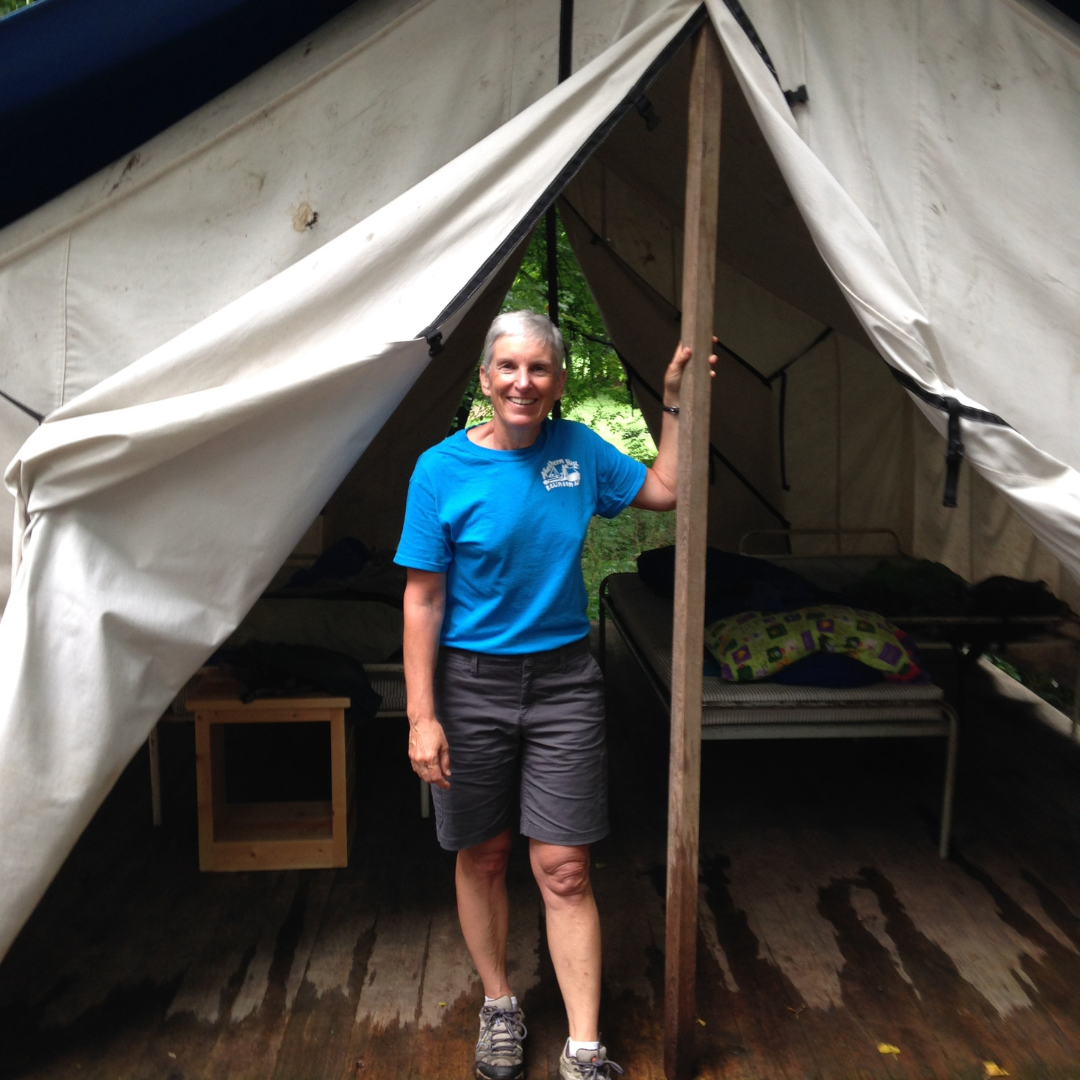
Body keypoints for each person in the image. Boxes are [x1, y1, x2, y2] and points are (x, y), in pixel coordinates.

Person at [394, 310, 714, 1080]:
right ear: (484, 378)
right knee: (484, 854)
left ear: (558, 381)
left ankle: (584, 1048)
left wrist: (673, 400)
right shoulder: (440, 470)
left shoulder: (578, 451)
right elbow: (423, 599)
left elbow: (666, 489)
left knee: (565, 867)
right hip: (470, 685)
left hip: (565, 682)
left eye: (539, 368)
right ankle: (499, 1005)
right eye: (508, 367)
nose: (523, 382)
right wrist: (422, 716)